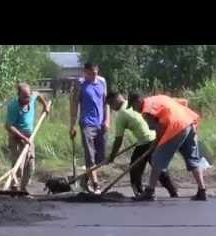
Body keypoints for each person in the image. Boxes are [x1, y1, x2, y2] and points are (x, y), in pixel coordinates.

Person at [129, 93, 208, 201]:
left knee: (156, 158)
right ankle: (202, 191)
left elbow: (160, 127)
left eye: (133, 107)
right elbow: (183, 102)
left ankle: (150, 192)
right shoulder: (158, 98)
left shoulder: (147, 110)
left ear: (137, 101)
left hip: (176, 128)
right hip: (189, 123)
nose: (134, 110)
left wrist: (156, 144)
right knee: (193, 159)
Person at [106, 91, 178, 198]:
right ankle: (173, 192)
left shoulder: (121, 115)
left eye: (111, 104)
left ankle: (139, 193)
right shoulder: (132, 104)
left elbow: (118, 139)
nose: (111, 108)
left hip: (145, 141)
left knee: (134, 169)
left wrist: (112, 156)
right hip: (154, 137)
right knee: (157, 167)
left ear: (115, 100)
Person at [69, 62, 110, 195]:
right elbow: (74, 105)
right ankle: (96, 185)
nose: (94, 75)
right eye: (91, 73)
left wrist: (107, 120)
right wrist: (72, 125)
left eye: (96, 73)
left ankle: (84, 179)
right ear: (85, 72)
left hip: (100, 124)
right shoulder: (80, 84)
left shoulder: (102, 82)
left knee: (100, 158)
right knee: (90, 156)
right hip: (86, 123)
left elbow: (106, 103)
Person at [5, 82, 50, 193]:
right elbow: (8, 126)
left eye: (28, 96)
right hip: (16, 137)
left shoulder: (32, 97)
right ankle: (14, 187)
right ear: (18, 95)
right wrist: (22, 138)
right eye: (24, 97)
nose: (27, 98)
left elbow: (38, 94)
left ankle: (23, 188)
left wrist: (45, 105)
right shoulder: (13, 106)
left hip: (29, 137)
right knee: (18, 167)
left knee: (30, 166)